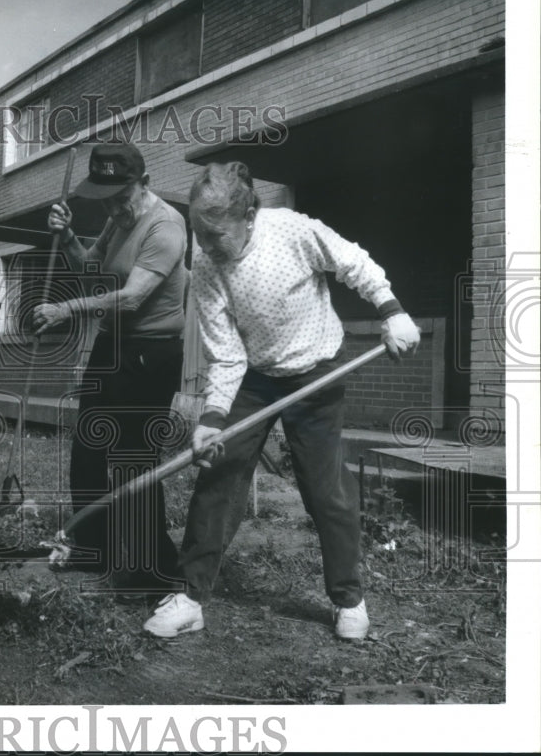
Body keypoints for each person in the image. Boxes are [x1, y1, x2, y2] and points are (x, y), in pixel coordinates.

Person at [142, 161, 420, 641]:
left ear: (249, 215)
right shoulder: (207, 264)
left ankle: (349, 600)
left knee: (324, 487)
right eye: (199, 235)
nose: (206, 248)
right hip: (254, 375)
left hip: (316, 371)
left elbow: (352, 262)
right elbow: (225, 354)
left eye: (216, 236)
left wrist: (392, 310)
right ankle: (190, 597)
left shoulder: (292, 231)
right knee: (219, 474)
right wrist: (211, 419)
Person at [33, 143, 188, 598]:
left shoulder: (166, 226)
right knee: (88, 449)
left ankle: (154, 571)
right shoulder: (117, 217)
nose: (112, 206)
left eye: (119, 196)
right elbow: (93, 269)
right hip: (112, 346)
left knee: (133, 460)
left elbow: (134, 296)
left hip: (151, 354)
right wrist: (67, 238)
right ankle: (92, 548)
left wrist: (66, 310)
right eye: (104, 198)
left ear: (143, 182)